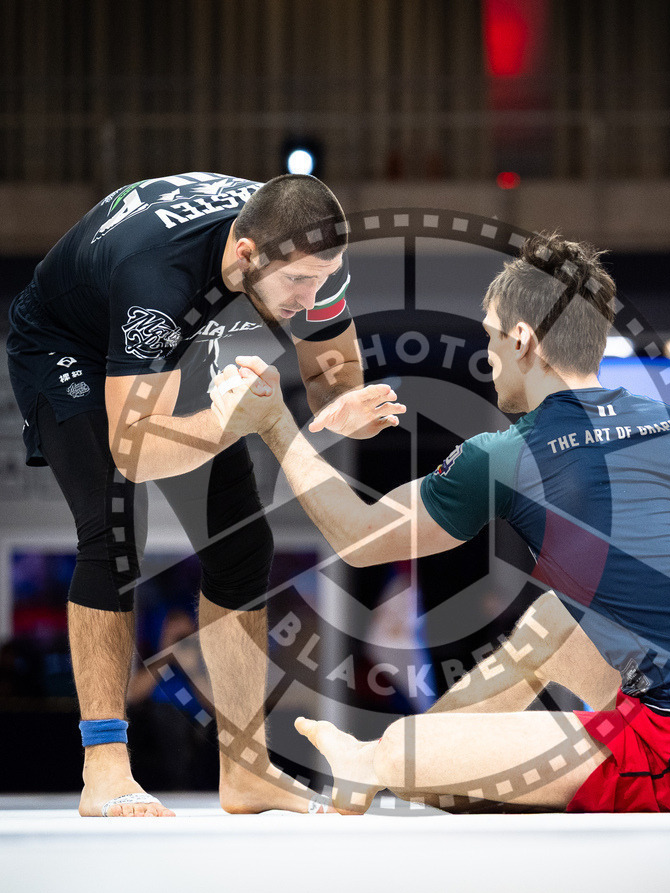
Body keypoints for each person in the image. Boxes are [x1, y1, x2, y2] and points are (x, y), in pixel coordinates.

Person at [209, 230, 670, 814]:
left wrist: (275, 425)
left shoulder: (509, 455)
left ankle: (389, 764)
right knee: (553, 620)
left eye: (492, 338)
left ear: (523, 340)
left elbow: (359, 539)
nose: (488, 355)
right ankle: (428, 761)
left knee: (399, 753)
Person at [5, 171, 405, 817]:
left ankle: (246, 770)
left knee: (243, 547)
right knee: (111, 533)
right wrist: (231, 421)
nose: (311, 295)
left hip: (176, 347)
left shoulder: (310, 257)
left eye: (322, 279)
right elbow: (134, 455)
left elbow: (331, 369)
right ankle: (104, 764)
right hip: (65, 345)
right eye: (296, 282)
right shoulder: (154, 280)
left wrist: (342, 407)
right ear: (246, 253)